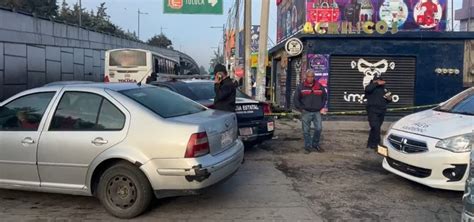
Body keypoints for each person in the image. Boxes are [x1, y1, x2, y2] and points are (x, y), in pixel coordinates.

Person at [293, 70, 328, 154]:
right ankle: (308, 146)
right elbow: (296, 99)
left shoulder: (319, 86)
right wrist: (301, 109)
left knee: (319, 129)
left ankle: (315, 144)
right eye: (308, 76)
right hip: (306, 112)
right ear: (306, 77)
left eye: (312, 76)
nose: (310, 78)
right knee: (306, 131)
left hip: (317, 112)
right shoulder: (301, 87)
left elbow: (324, 97)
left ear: (314, 77)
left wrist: (321, 107)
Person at [365, 75, 392, 150]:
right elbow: (368, 90)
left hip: (382, 110)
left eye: (380, 80)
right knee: (375, 127)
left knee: (376, 128)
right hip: (372, 110)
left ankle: (370, 144)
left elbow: (389, 98)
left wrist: (389, 98)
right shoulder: (370, 87)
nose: (379, 81)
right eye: (377, 80)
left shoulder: (384, 89)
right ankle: (377, 144)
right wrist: (376, 83)